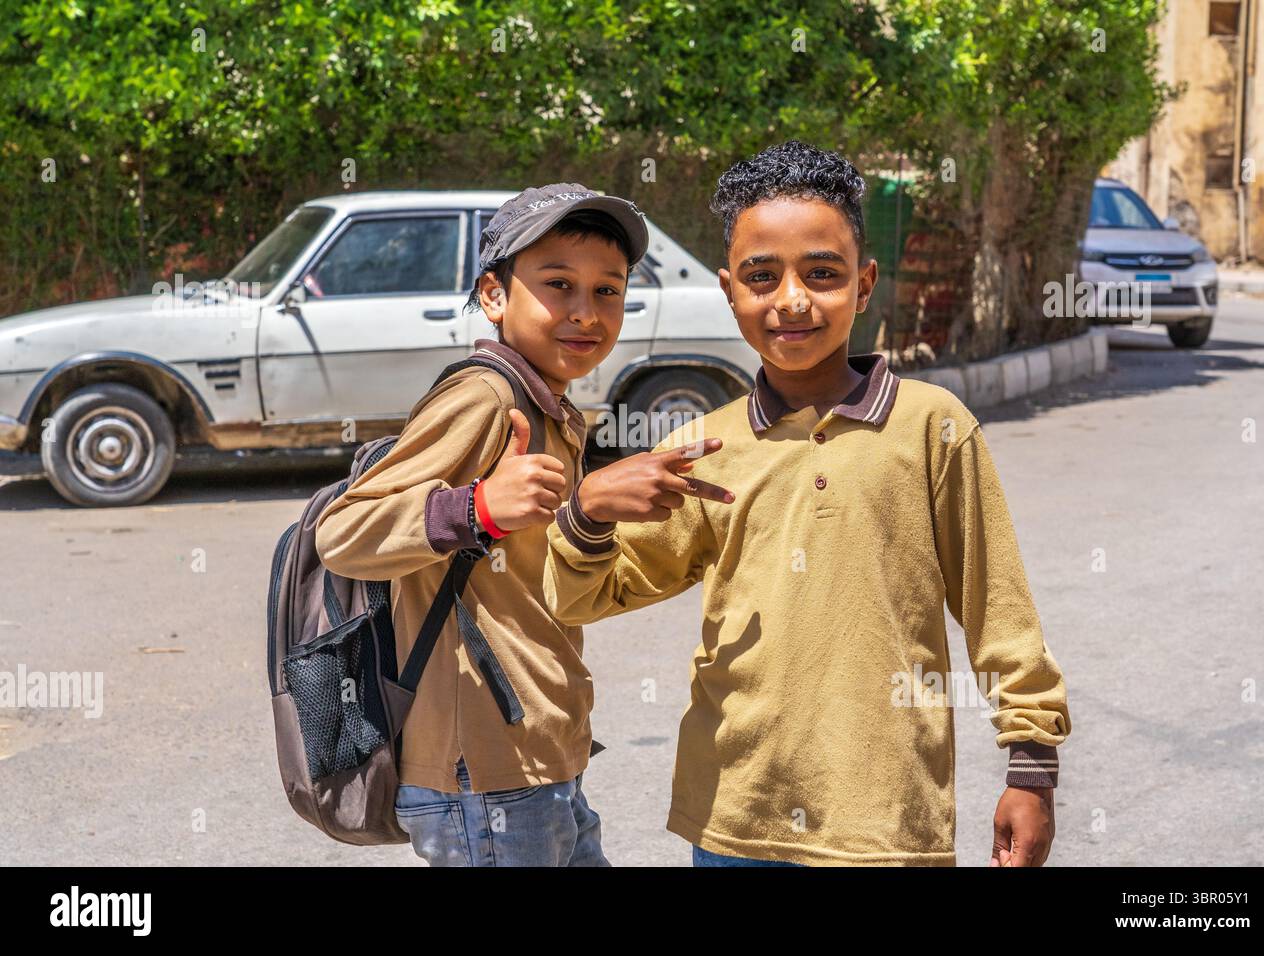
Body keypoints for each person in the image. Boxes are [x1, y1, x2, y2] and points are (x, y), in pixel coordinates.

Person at [544, 141, 1071, 867]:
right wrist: (588, 513)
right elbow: (585, 597)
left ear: (864, 284)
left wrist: (1032, 769)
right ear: (730, 291)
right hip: (735, 819)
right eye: (762, 277)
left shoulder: (931, 426)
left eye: (821, 273)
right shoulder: (703, 445)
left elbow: (999, 611)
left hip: (888, 823)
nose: (792, 299)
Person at [315, 183, 648, 866]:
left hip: (539, 752)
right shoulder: (486, 397)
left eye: (607, 291)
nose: (586, 313)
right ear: (494, 296)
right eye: (559, 284)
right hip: (485, 777)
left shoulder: (549, 403)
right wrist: (474, 509)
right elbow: (344, 531)